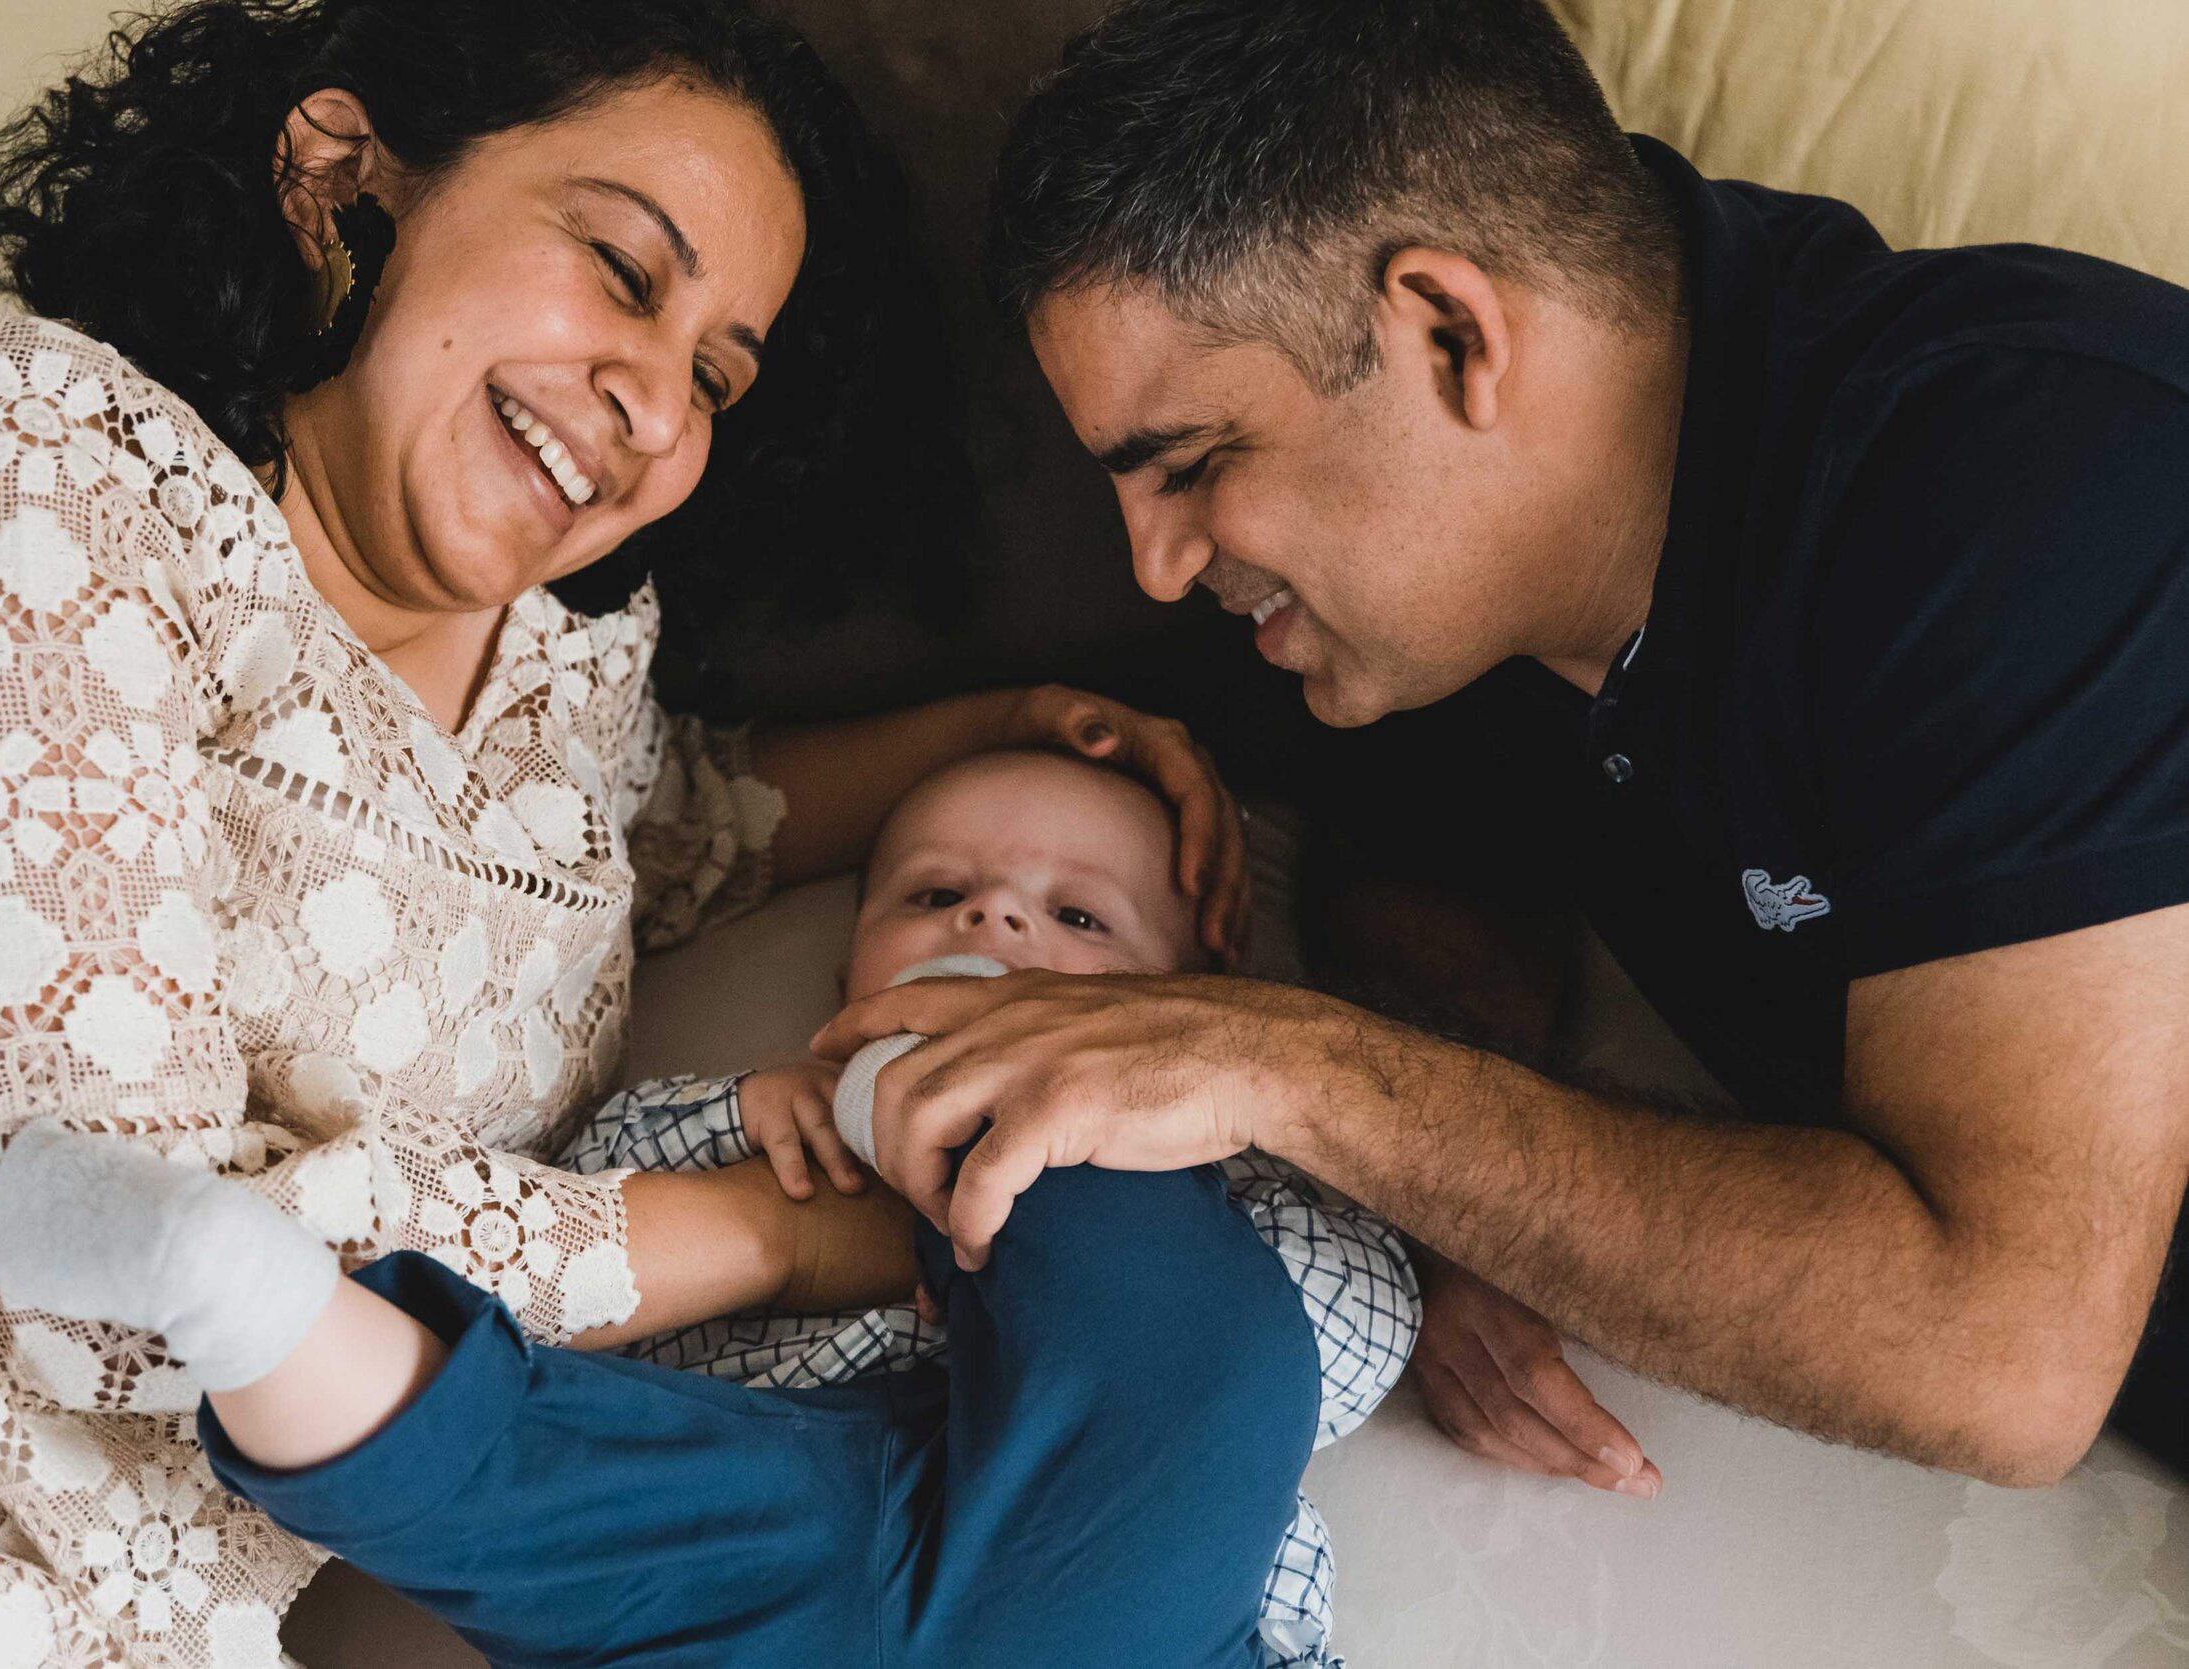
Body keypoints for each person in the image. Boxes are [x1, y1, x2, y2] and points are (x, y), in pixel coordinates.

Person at [0, 2, 1252, 1662]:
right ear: (343, 176)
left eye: (716, 374)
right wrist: (772, 1233)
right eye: (623, 272)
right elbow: (74, 1260)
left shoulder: (563, 681)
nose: (654, 406)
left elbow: (679, 824)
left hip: (129, 1618)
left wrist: (1020, 728)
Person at [821, 0, 2189, 1493]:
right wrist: (1465, 1204)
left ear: (1450, 333)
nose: (1155, 568)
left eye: (1196, 465)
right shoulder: (1455, 575)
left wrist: (1289, 1071)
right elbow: (1430, 869)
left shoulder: (2029, 495)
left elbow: (2001, 1356)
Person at [0, 748, 1415, 1668]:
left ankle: (1000, 1088)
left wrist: (1050, 1156)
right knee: (551, 1481)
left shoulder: (1230, 1188)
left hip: (1103, 1581)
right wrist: (766, 1134)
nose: (996, 925)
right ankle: (252, 1301)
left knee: (1216, 1358)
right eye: (939, 896)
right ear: (854, 955)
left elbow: (1354, 1328)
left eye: (1077, 920)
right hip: (776, 1564)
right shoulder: (735, 1124)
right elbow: (583, 1257)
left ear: (1188, 1002)